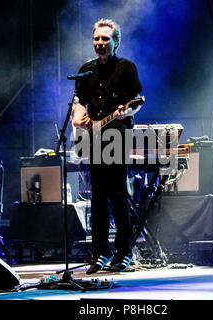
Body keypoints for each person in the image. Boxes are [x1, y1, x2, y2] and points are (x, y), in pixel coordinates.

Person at [71, 18, 143, 274]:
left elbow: (137, 101)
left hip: (117, 134)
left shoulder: (126, 68)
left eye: (105, 39)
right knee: (98, 197)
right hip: (94, 137)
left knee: (117, 193)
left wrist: (125, 112)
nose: (100, 43)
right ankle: (100, 253)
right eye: (97, 39)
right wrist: (77, 118)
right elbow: (79, 101)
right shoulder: (86, 70)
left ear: (116, 42)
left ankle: (124, 253)